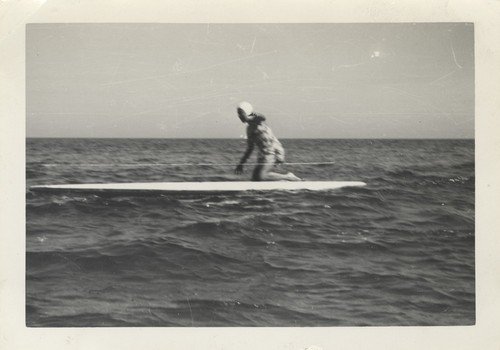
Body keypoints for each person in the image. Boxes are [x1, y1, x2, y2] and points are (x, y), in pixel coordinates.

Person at [234, 101, 301, 181]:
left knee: (262, 176)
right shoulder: (249, 129)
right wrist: (241, 164)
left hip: (273, 152)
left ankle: (288, 177)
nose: (239, 116)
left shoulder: (259, 121)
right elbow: (250, 148)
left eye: (241, 113)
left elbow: (262, 116)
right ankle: (281, 181)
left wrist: (250, 115)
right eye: (238, 114)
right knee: (255, 179)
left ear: (247, 112)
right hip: (263, 155)